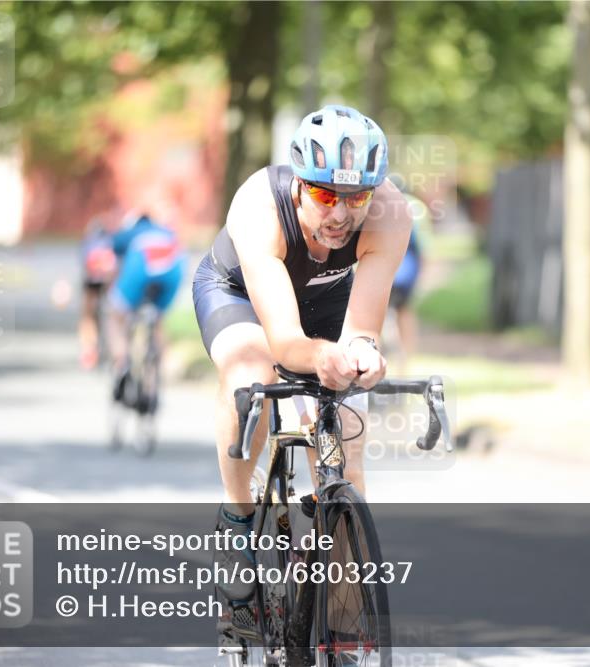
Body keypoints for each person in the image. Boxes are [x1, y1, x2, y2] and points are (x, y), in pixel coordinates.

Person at [192, 104, 411, 616]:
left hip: (327, 301)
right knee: (251, 374)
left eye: (356, 196)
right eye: (324, 194)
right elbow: (288, 344)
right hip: (240, 294)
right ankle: (239, 518)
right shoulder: (258, 206)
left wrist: (364, 355)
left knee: (344, 432)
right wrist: (321, 356)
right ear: (298, 184)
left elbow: (362, 331)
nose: (340, 214)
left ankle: (336, 605)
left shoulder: (391, 213)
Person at [107, 210, 185, 400]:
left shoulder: (128, 233)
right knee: (157, 319)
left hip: (140, 266)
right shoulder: (165, 231)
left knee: (115, 316)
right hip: (173, 268)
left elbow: (114, 264)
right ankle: (153, 381)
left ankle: (121, 363)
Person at [386, 178, 428, 373]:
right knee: (405, 311)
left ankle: (374, 355)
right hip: (407, 271)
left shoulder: (383, 206)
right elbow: (423, 245)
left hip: (387, 269)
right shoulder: (415, 207)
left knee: (376, 315)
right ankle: (405, 358)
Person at [78, 213, 119, 370]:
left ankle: (88, 350)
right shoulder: (111, 241)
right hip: (109, 279)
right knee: (111, 313)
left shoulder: (88, 241)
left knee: (88, 314)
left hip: (92, 279)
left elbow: (84, 265)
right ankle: (112, 349)